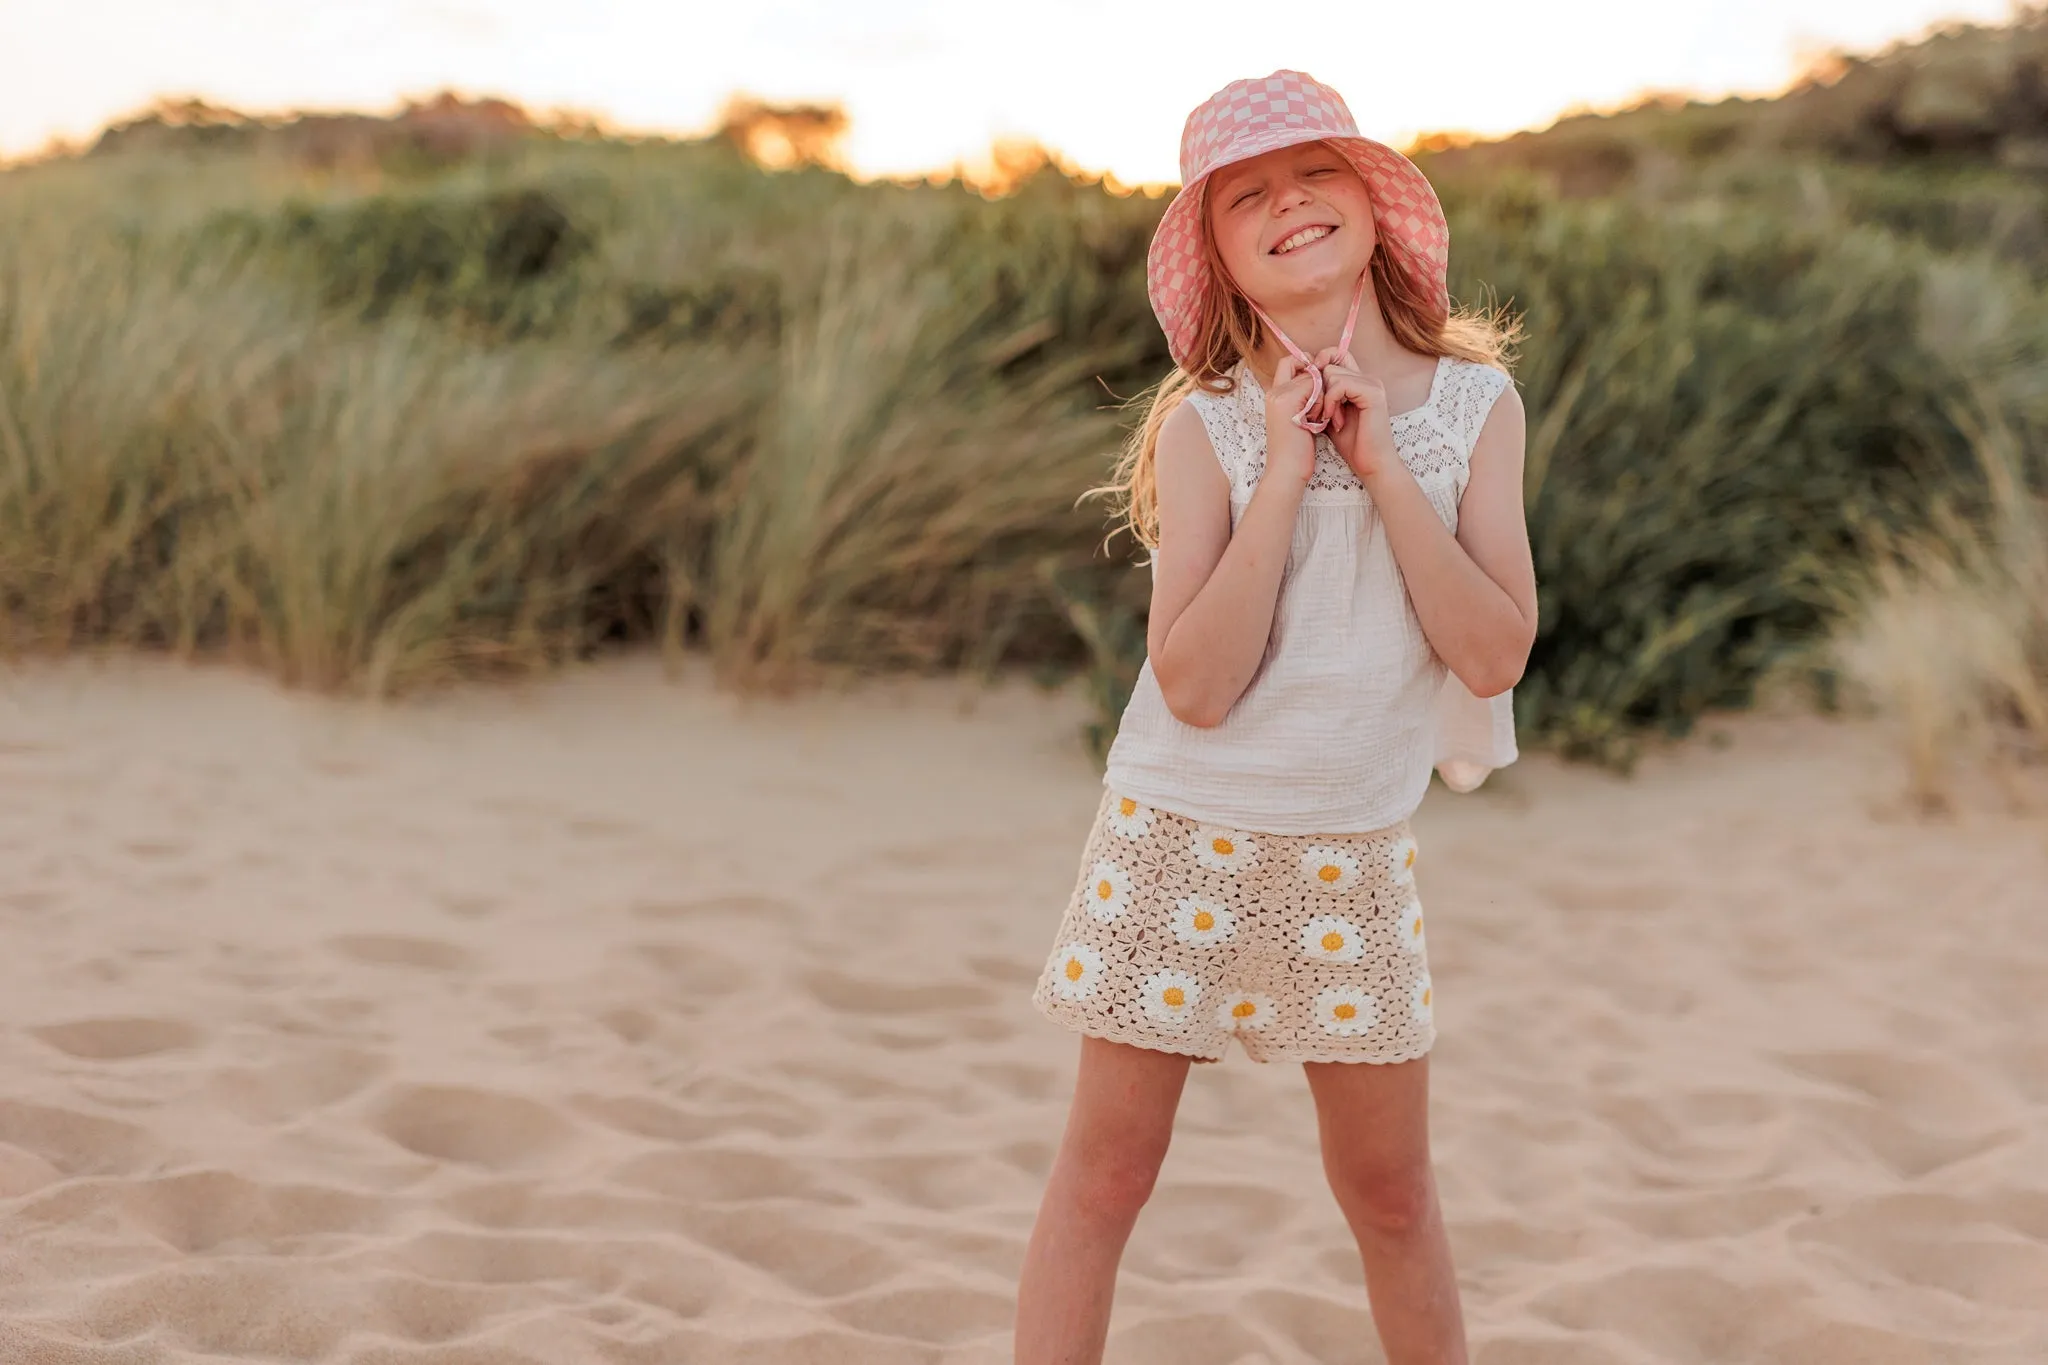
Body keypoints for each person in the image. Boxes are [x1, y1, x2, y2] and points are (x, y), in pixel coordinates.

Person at [1017, 71, 1536, 1365]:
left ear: (1372, 204)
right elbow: (1193, 685)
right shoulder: (1207, 432)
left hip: (1351, 857)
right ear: (1222, 259)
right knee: (1103, 1182)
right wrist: (1291, 469)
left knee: (1395, 1199)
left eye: (1317, 172)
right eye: (1247, 194)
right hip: (1176, 840)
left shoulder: (1476, 411)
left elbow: (1490, 652)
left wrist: (1377, 466)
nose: (1289, 201)